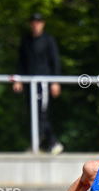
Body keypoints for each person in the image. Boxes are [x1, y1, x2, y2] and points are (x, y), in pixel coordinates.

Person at [13, 13, 64, 155]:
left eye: (38, 22)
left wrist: (55, 81)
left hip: (44, 82)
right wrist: (18, 79)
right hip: (30, 83)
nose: (36, 24)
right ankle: (46, 143)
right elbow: (21, 62)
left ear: (43, 24)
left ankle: (49, 142)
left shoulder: (49, 40)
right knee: (33, 112)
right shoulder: (26, 41)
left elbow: (55, 61)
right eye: (33, 22)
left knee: (41, 113)